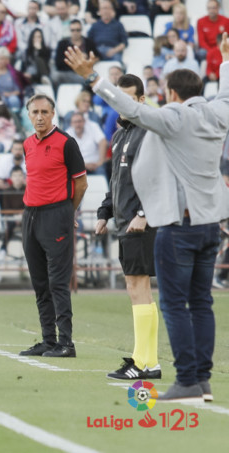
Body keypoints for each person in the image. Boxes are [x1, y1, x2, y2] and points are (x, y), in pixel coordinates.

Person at [64, 33, 229, 402]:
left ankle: (186, 380)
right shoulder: (220, 113)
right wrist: (226, 60)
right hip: (209, 225)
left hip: (179, 225)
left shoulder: (173, 118)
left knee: (173, 304)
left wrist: (93, 79)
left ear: (170, 93)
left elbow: (134, 110)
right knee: (202, 303)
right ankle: (201, 381)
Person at [92, 74, 160, 381]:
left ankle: (141, 362)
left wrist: (144, 213)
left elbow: (158, 177)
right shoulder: (120, 136)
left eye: (127, 98)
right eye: (116, 98)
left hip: (139, 223)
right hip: (123, 222)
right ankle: (151, 362)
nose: (120, 105)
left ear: (141, 100)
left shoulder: (148, 132)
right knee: (139, 289)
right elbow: (115, 182)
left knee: (138, 288)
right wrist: (104, 212)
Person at [18, 94, 88, 359]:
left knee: (58, 282)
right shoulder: (27, 144)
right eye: (35, 112)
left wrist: (68, 211)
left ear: (53, 113)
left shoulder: (66, 143)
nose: (39, 117)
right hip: (31, 215)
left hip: (56, 213)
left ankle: (66, 343)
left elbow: (81, 183)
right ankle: (48, 340)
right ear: (28, 115)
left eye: (44, 112)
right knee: (39, 282)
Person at [53, 19, 100, 86]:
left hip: (85, 73)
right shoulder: (62, 43)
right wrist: (75, 60)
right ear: (69, 30)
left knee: (92, 78)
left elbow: (98, 56)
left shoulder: (89, 42)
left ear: (81, 30)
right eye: (73, 30)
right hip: (68, 73)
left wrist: (88, 59)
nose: (75, 32)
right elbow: (58, 63)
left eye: (78, 30)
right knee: (56, 76)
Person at [65, 112, 107, 178]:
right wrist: (84, 165)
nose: (77, 124)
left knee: (101, 171)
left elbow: (103, 142)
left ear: (84, 122)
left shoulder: (93, 126)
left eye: (79, 121)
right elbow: (68, 156)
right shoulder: (67, 133)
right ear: (71, 124)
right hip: (78, 166)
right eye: (75, 122)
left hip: (96, 164)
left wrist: (100, 161)